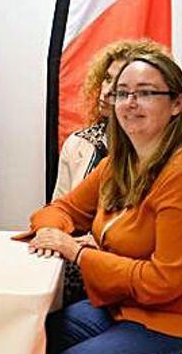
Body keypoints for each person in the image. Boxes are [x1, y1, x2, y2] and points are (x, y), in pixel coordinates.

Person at [18, 48, 182, 354]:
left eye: (146, 93)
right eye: (122, 93)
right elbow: (58, 210)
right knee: (32, 336)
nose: (130, 103)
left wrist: (78, 253)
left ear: (177, 104)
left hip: (177, 325)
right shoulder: (119, 163)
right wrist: (51, 233)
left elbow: (163, 281)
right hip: (120, 306)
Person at [52, 39, 167, 306]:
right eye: (107, 79)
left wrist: (94, 247)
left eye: (121, 85)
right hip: (75, 259)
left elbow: (148, 249)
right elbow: (58, 207)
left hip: (126, 275)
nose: (107, 91)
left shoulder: (162, 155)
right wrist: (57, 233)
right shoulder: (78, 143)